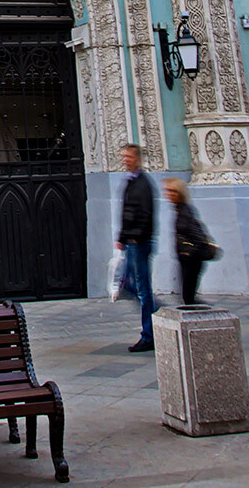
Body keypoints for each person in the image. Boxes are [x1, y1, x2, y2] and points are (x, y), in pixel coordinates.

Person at [116, 143, 157, 352]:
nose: (125, 160)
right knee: (130, 286)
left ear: (137, 158)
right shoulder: (132, 182)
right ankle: (157, 317)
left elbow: (145, 215)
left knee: (141, 289)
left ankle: (150, 332)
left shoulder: (143, 184)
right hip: (132, 242)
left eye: (129, 157)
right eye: (124, 156)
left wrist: (135, 238)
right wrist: (122, 237)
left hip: (139, 243)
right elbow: (128, 212)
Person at [165, 179, 214, 307]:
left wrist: (188, 252)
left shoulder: (185, 212)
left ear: (180, 193)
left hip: (192, 260)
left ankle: (204, 319)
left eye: (172, 191)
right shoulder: (179, 210)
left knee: (189, 298)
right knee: (188, 297)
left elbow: (197, 236)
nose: (168, 194)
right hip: (187, 260)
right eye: (168, 190)